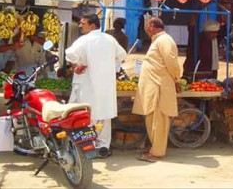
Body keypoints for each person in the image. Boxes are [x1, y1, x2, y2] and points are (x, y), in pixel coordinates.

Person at [65, 14, 127, 158]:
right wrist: (114, 68)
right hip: (105, 85)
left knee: (85, 114)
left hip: (87, 83)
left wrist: (76, 65)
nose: (80, 26)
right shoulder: (110, 40)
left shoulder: (84, 40)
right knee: (104, 115)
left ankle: (88, 146)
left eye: (83, 23)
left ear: (92, 26)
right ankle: (103, 146)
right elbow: (122, 55)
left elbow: (70, 54)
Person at [132, 17, 181, 162]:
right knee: (152, 119)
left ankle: (158, 152)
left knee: (159, 121)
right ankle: (155, 148)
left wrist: (177, 79)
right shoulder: (159, 40)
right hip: (154, 87)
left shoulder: (164, 40)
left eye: (147, 25)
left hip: (160, 87)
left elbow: (171, 63)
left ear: (152, 26)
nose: (146, 29)